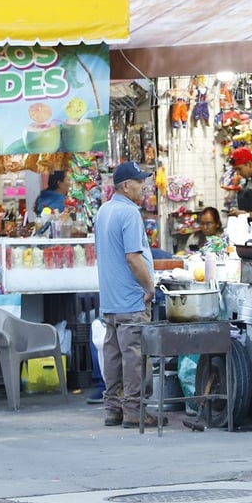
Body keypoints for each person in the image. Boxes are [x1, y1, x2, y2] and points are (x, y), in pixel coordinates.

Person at [94, 161, 163, 429]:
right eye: (140, 182)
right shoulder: (130, 213)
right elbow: (133, 258)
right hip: (131, 300)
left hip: (110, 300)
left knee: (113, 355)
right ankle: (135, 411)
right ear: (126, 185)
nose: (144, 187)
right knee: (135, 357)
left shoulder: (104, 211)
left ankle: (113, 409)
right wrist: (149, 287)